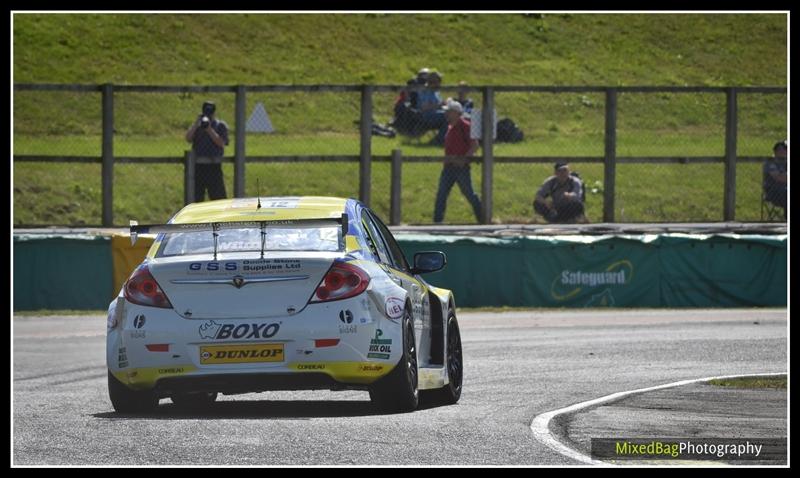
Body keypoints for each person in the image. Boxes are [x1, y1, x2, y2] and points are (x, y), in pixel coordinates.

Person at [433, 100, 482, 223]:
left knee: (470, 194)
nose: (446, 114)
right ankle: (437, 222)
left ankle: (483, 218)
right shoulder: (450, 127)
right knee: (441, 195)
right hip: (448, 167)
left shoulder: (465, 126)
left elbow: (475, 145)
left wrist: (464, 160)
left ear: (456, 113)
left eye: (449, 112)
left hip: (461, 168)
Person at [185, 101, 229, 201]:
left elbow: (221, 143)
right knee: (196, 198)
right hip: (198, 166)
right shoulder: (197, 126)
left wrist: (209, 129)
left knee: (218, 198)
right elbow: (188, 138)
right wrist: (196, 124)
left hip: (214, 165)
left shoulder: (220, 125)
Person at [415, 71, 448, 145]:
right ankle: (438, 141)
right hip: (425, 116)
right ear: (433, 82)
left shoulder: (436, 92)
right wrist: (439, 105)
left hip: (437, 115)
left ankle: (447, 140)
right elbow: (423, 107)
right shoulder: (424, 91)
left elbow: (440, 105)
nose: (440, 84)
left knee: (451, 116)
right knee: (447, 116)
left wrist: (446, 105)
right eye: (439, 81)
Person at [763, 140, 787, 216]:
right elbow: (779, 178)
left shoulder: (786, 162)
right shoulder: (770, 162)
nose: (785, 151)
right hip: (773, 191)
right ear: (776, 151)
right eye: (782, 149)